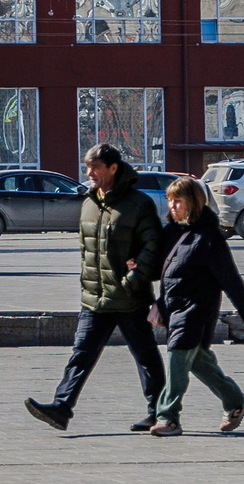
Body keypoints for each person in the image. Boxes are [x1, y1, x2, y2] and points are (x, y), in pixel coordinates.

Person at [25, 143, 164, 433]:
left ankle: (160, 412)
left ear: (114, 168)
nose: (89, 173)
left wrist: (132, 281)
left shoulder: (138, 204)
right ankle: (61, 408)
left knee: (146, 357)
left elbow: (154, 247)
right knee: (81, 354)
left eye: (96, 167)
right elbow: (86, 250)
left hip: (129, 298)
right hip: (94, 299)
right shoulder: (89, 202)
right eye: (87, 167)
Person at [147, 176, 244, 436]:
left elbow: (230, 278)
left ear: (194, 202)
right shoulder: (174, 232)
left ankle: (168, 417)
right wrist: (137, 265)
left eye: (179, 201)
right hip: (175, 309)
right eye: (170, 201)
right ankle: (235, 401)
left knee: (177, 358)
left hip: (196, 311)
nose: (172, 206)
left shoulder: (209, 238)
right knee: (198, 361)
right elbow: (162, 270)